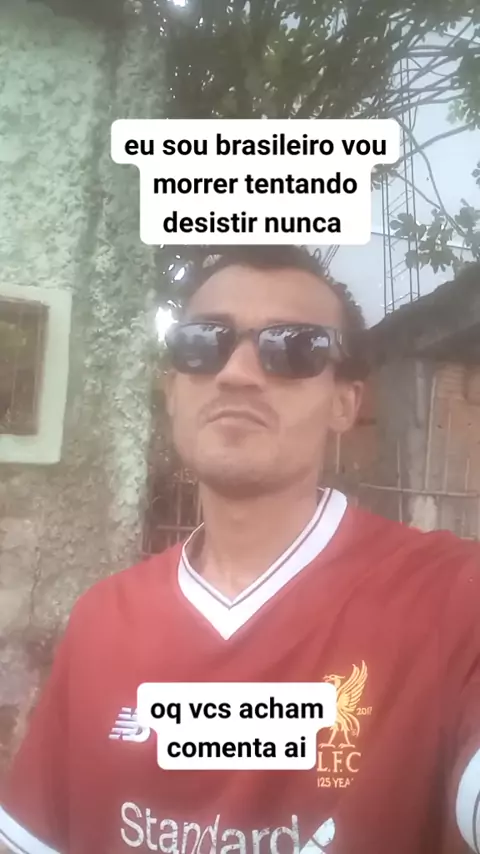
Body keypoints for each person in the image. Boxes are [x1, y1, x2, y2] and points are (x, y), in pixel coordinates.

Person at [0, 245, 479, 854]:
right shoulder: (100, 620)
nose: (237, 373)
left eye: (294, 348)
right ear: (173, 391)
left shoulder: (451, 602)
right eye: (204, 342)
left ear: (344, 403)